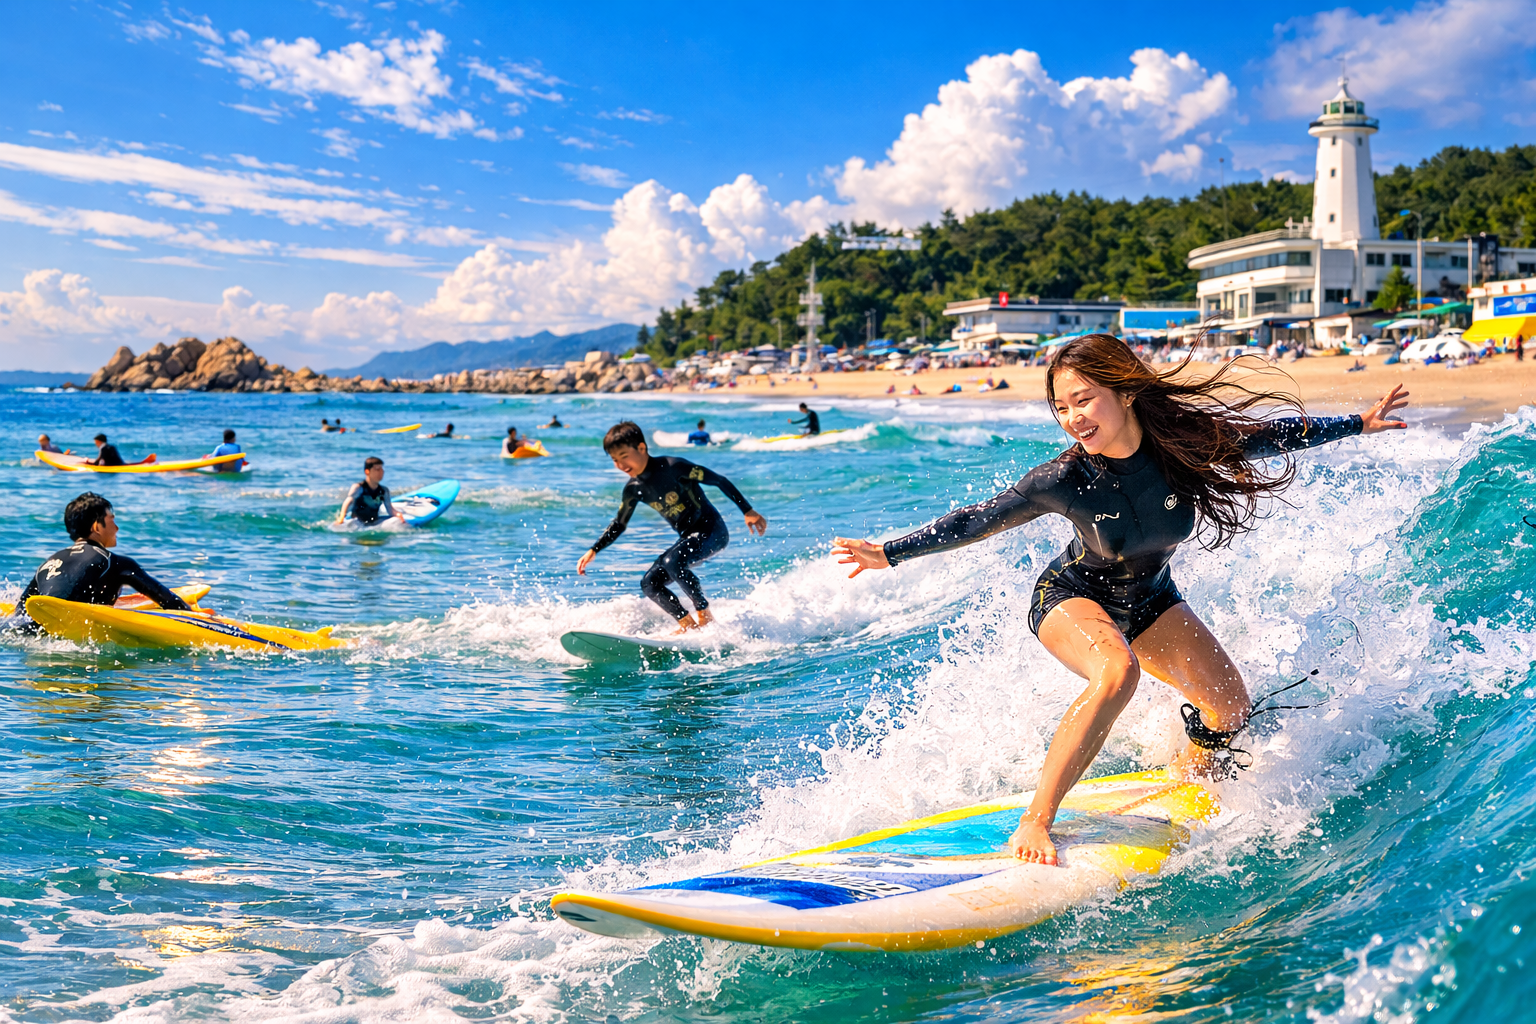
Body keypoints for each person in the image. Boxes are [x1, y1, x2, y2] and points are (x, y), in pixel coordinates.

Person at [832, 333, 1409, 866]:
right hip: (1073, 595)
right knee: (1116, 671)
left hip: (1152, 598)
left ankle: (1189, 779)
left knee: (1230, 705)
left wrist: (1360, 422)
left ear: (1125, 390)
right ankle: (1036, 821)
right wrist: (891, 552)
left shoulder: (1185, 446)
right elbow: (978, 521)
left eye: (1083, 400)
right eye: (1061, 408)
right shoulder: (1063, 478)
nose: (1072, 418)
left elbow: (1269, 436)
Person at [577, 421, 767, 632]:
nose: (620, 465)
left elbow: (718, 480)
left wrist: (747, 510)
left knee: (673, 561)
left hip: (713, 532)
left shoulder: (674, 467)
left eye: (624, 456)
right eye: (614, 460)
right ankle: (687, 625)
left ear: (641, 448)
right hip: (687, 538)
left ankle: (705, 616)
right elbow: (619, 524)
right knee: (649, 583)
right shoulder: (634, 489)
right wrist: (595, 549)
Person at [9, 492, 190, 633]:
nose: (117, 527)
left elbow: (20, 614)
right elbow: (171, 603)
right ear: (97, 526)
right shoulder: (115, 562)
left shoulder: (49, 562)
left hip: (31, 631)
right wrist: (201, 619)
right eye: (112, 520)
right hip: (75, 633)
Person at [336, 456, 405, 526]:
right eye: (377, 469)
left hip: (374, 522)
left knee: (397, 520)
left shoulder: (384, 491)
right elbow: (347, 502)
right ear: (367, 471)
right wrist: (341, 518)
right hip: (357, 523)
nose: (381, 472)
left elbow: (390, 510)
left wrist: (398, 515)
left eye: (382, 469)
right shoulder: (359, 488)